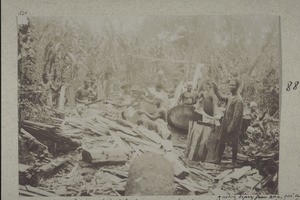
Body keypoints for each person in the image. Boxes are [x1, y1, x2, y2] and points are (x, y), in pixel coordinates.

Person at [212, 78, 244, 167]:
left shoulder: (238, 100)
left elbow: (236, 116)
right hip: (225, 123)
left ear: (237, 87)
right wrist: (215, 88)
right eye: (230, 85)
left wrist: (231, 128)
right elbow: (221, 97)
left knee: (234, 143)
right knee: (221, 140)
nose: (231, 86)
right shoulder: (230, 96)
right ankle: (218, 159)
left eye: (233, 85)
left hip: (234, 125)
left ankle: (234, 162)